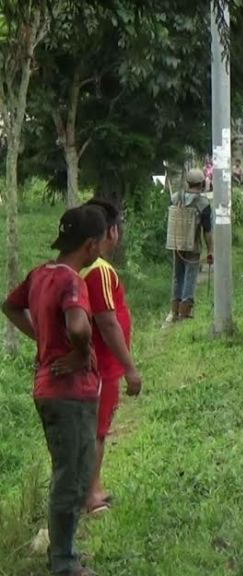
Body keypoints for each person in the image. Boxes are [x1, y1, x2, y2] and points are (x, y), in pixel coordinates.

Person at [2, 205, 108, 576]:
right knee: (72, 478)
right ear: (91, 245)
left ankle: (64, 551)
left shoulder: (40, 274)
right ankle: (64, 562)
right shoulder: (72, 281)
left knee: (68, 472)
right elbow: (78, 327)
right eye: (100, 243)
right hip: (70, 393)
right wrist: (79, 353)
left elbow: (10, 306)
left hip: (48, 388)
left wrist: (44, 338)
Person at [80, 199, 143, 514]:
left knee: (92, 428)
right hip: (102, 366)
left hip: (92, 364)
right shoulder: (101, 271)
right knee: (98, 431)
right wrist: (130, 368)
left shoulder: (83, 266)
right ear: (111, 232)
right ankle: (91, 493)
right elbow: (107, 322)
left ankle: (88, 488)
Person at [168, 168, 213, 322]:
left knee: (177, 275)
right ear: (202, 184)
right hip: (193, 245)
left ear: (188, 182)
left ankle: (175, 309)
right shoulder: (203, 203)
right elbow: (207, 231)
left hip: (176, 243)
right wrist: (210, 250)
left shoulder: (175, 198)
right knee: (190, 276)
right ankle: (185, 310)